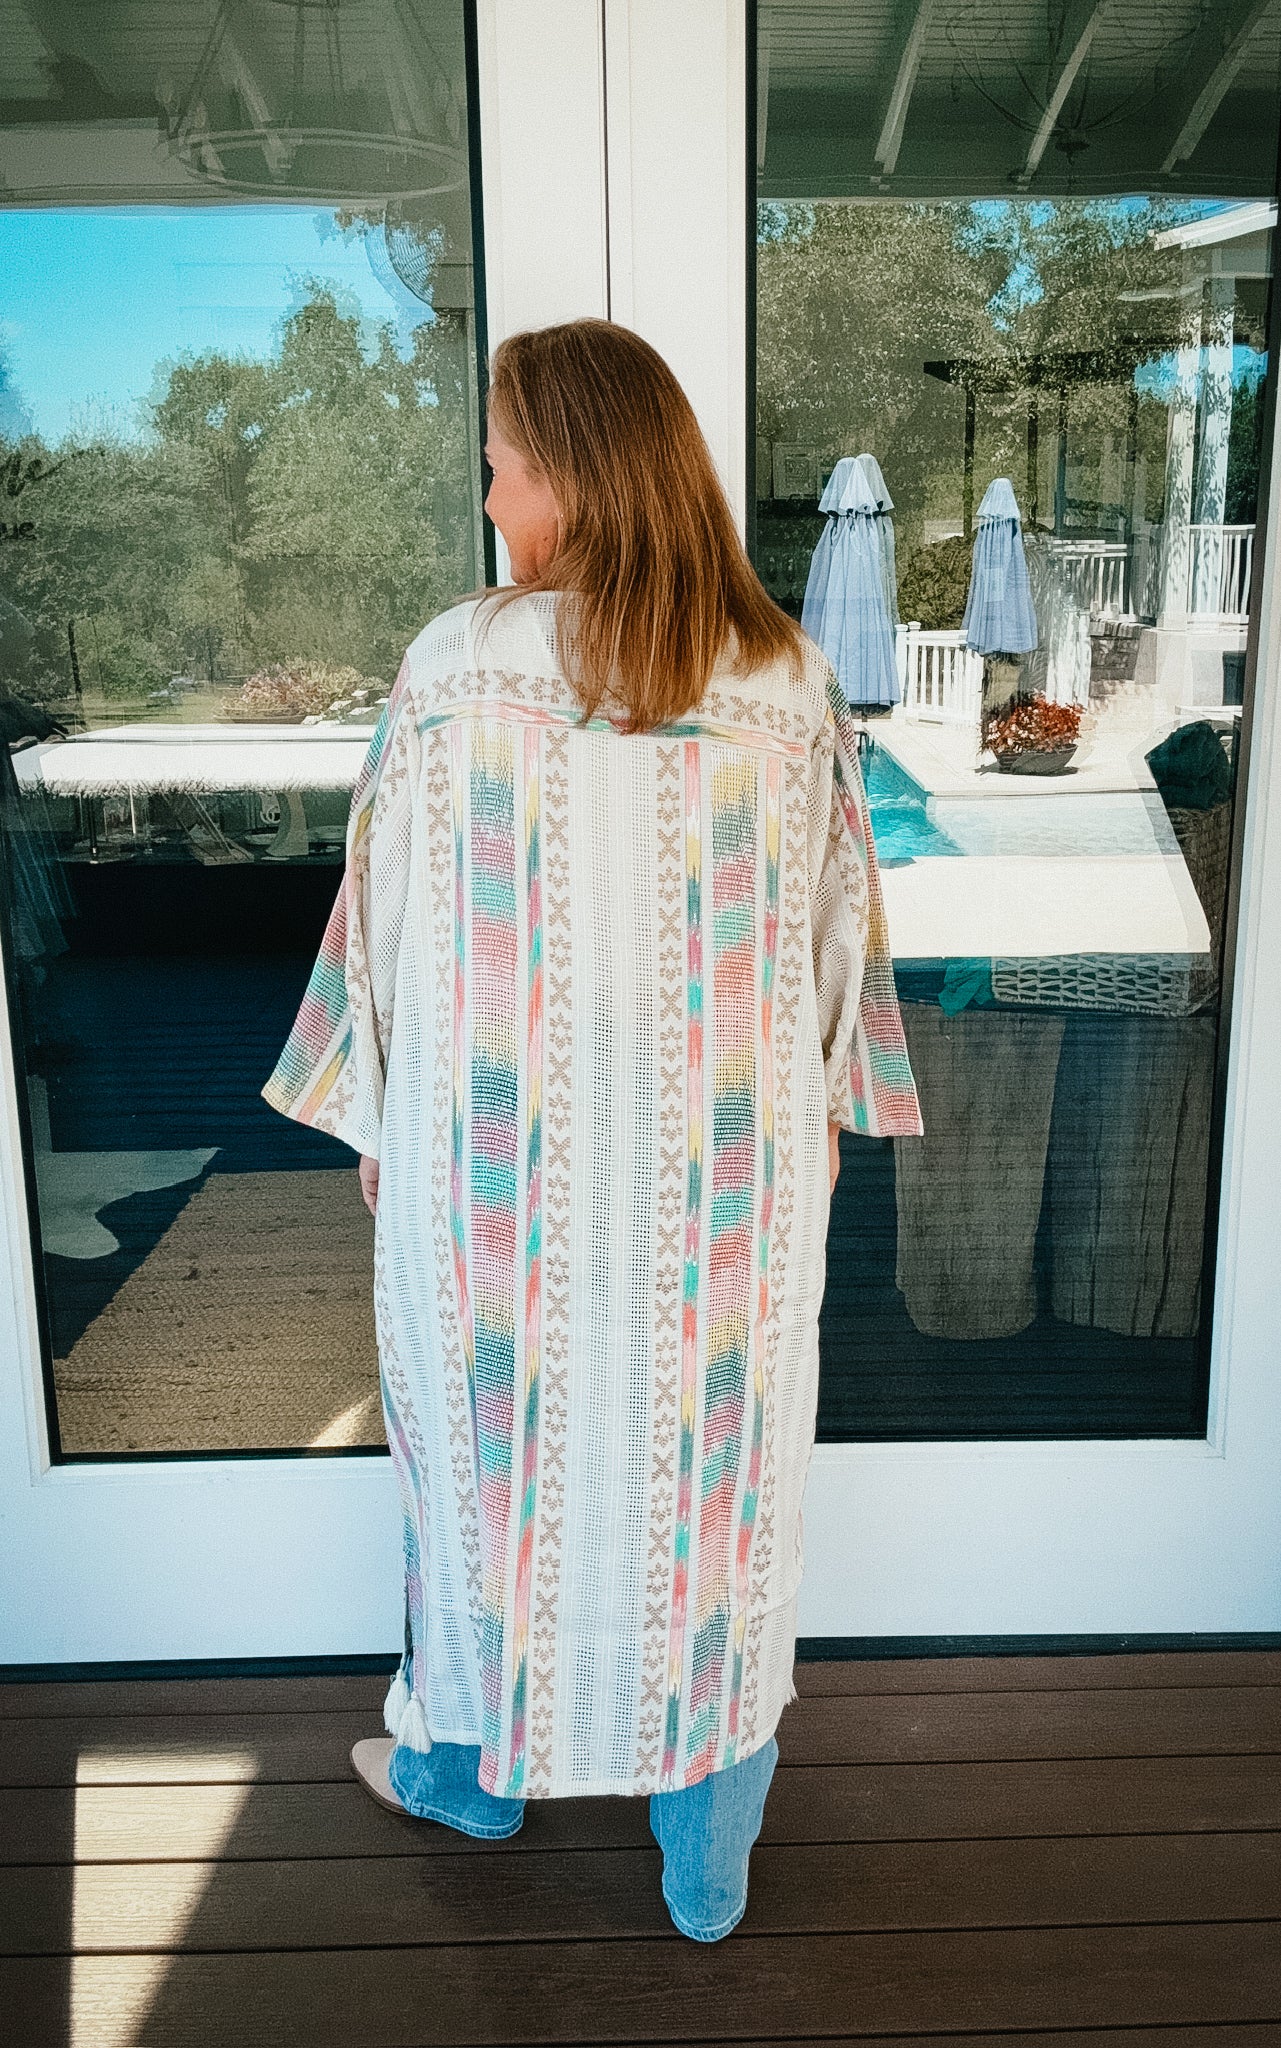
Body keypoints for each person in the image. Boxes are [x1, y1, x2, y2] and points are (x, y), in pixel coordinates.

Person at [261, 318, 923, 1940]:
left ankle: (468, 1777)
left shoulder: (455, 666)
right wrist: (829, 1114)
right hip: (728, 1188)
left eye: (501, 467)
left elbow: (381, 918)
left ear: (567, 473)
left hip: (492, 1179)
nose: (491, 500)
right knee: (719, 1493)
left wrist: (372, 1115)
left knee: (483, 1473)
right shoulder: (785, 679)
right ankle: (707, 1859)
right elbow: (838, 930)